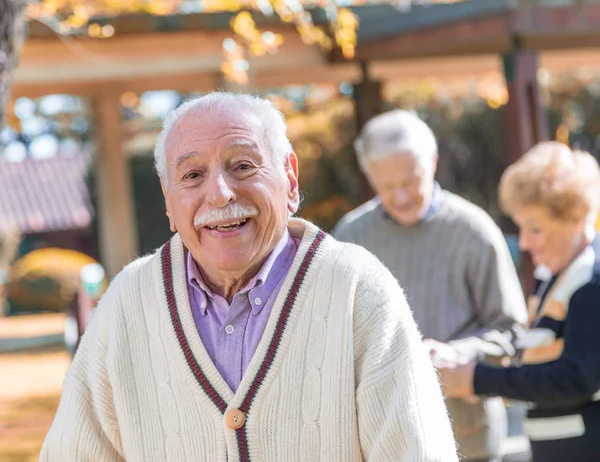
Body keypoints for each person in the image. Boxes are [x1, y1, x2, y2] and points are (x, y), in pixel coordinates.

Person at [40, 93, 458, 461]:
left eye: (242, 165)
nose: (220, 193)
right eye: (192, 175)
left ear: (290, 179)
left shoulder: (356, 288)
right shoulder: (128, 302)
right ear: (169, 201)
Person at [333, 109, 528, 462]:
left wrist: (458, 354)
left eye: (410, 181)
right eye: (387, 187)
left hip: (468, 440)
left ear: (433, 162)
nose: (402, 196)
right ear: (369, 177)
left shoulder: (473, 231)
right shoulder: (351, 236)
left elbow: (512, 332)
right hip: (382, 442)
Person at [439, 142, 600, 462]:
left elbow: (576, 378)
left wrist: (476, 379)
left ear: (575, 217)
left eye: (536, 229)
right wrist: (462, 360)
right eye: (522, 227)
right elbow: (534, 363)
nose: (525, 242)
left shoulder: (590, 281)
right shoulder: (551, 276)